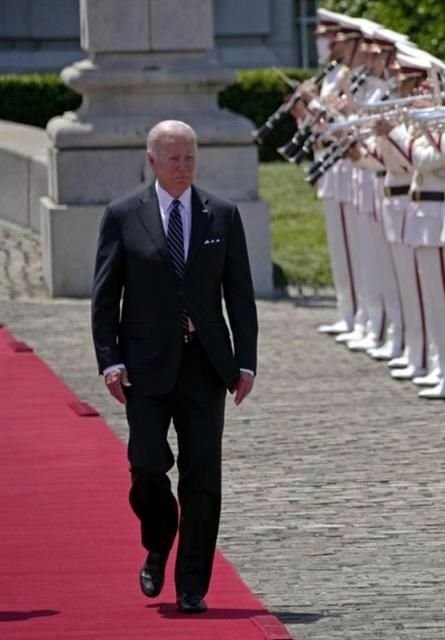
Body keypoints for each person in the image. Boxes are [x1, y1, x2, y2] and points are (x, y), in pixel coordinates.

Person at [91, 120, 258, 614]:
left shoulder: (222, 215)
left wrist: (245, 361)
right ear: (152, 162)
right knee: (145, 464)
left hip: (205, 364)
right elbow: (105, 298)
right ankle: (159, 538)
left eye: (189, 157)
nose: (183, 167)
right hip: (143, 363)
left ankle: (192, 585)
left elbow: (240, 294)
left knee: (202, 475)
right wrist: (109, 361)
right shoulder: (123, 215)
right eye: (173, 159)